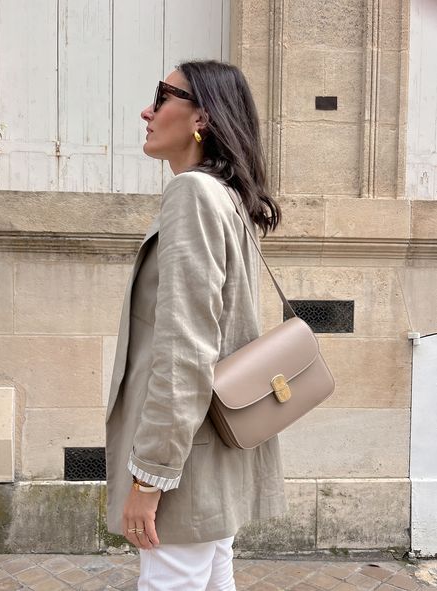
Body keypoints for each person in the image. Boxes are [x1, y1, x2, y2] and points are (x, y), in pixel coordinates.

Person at [105, 60, 287, 591]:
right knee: (211, 577)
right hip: (213, 448)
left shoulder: (192, 194)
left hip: (185, 461)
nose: (147, 109)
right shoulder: (227, 196)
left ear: (201, 116)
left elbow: (186, 349)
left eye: (162, 96)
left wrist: (151, 477)